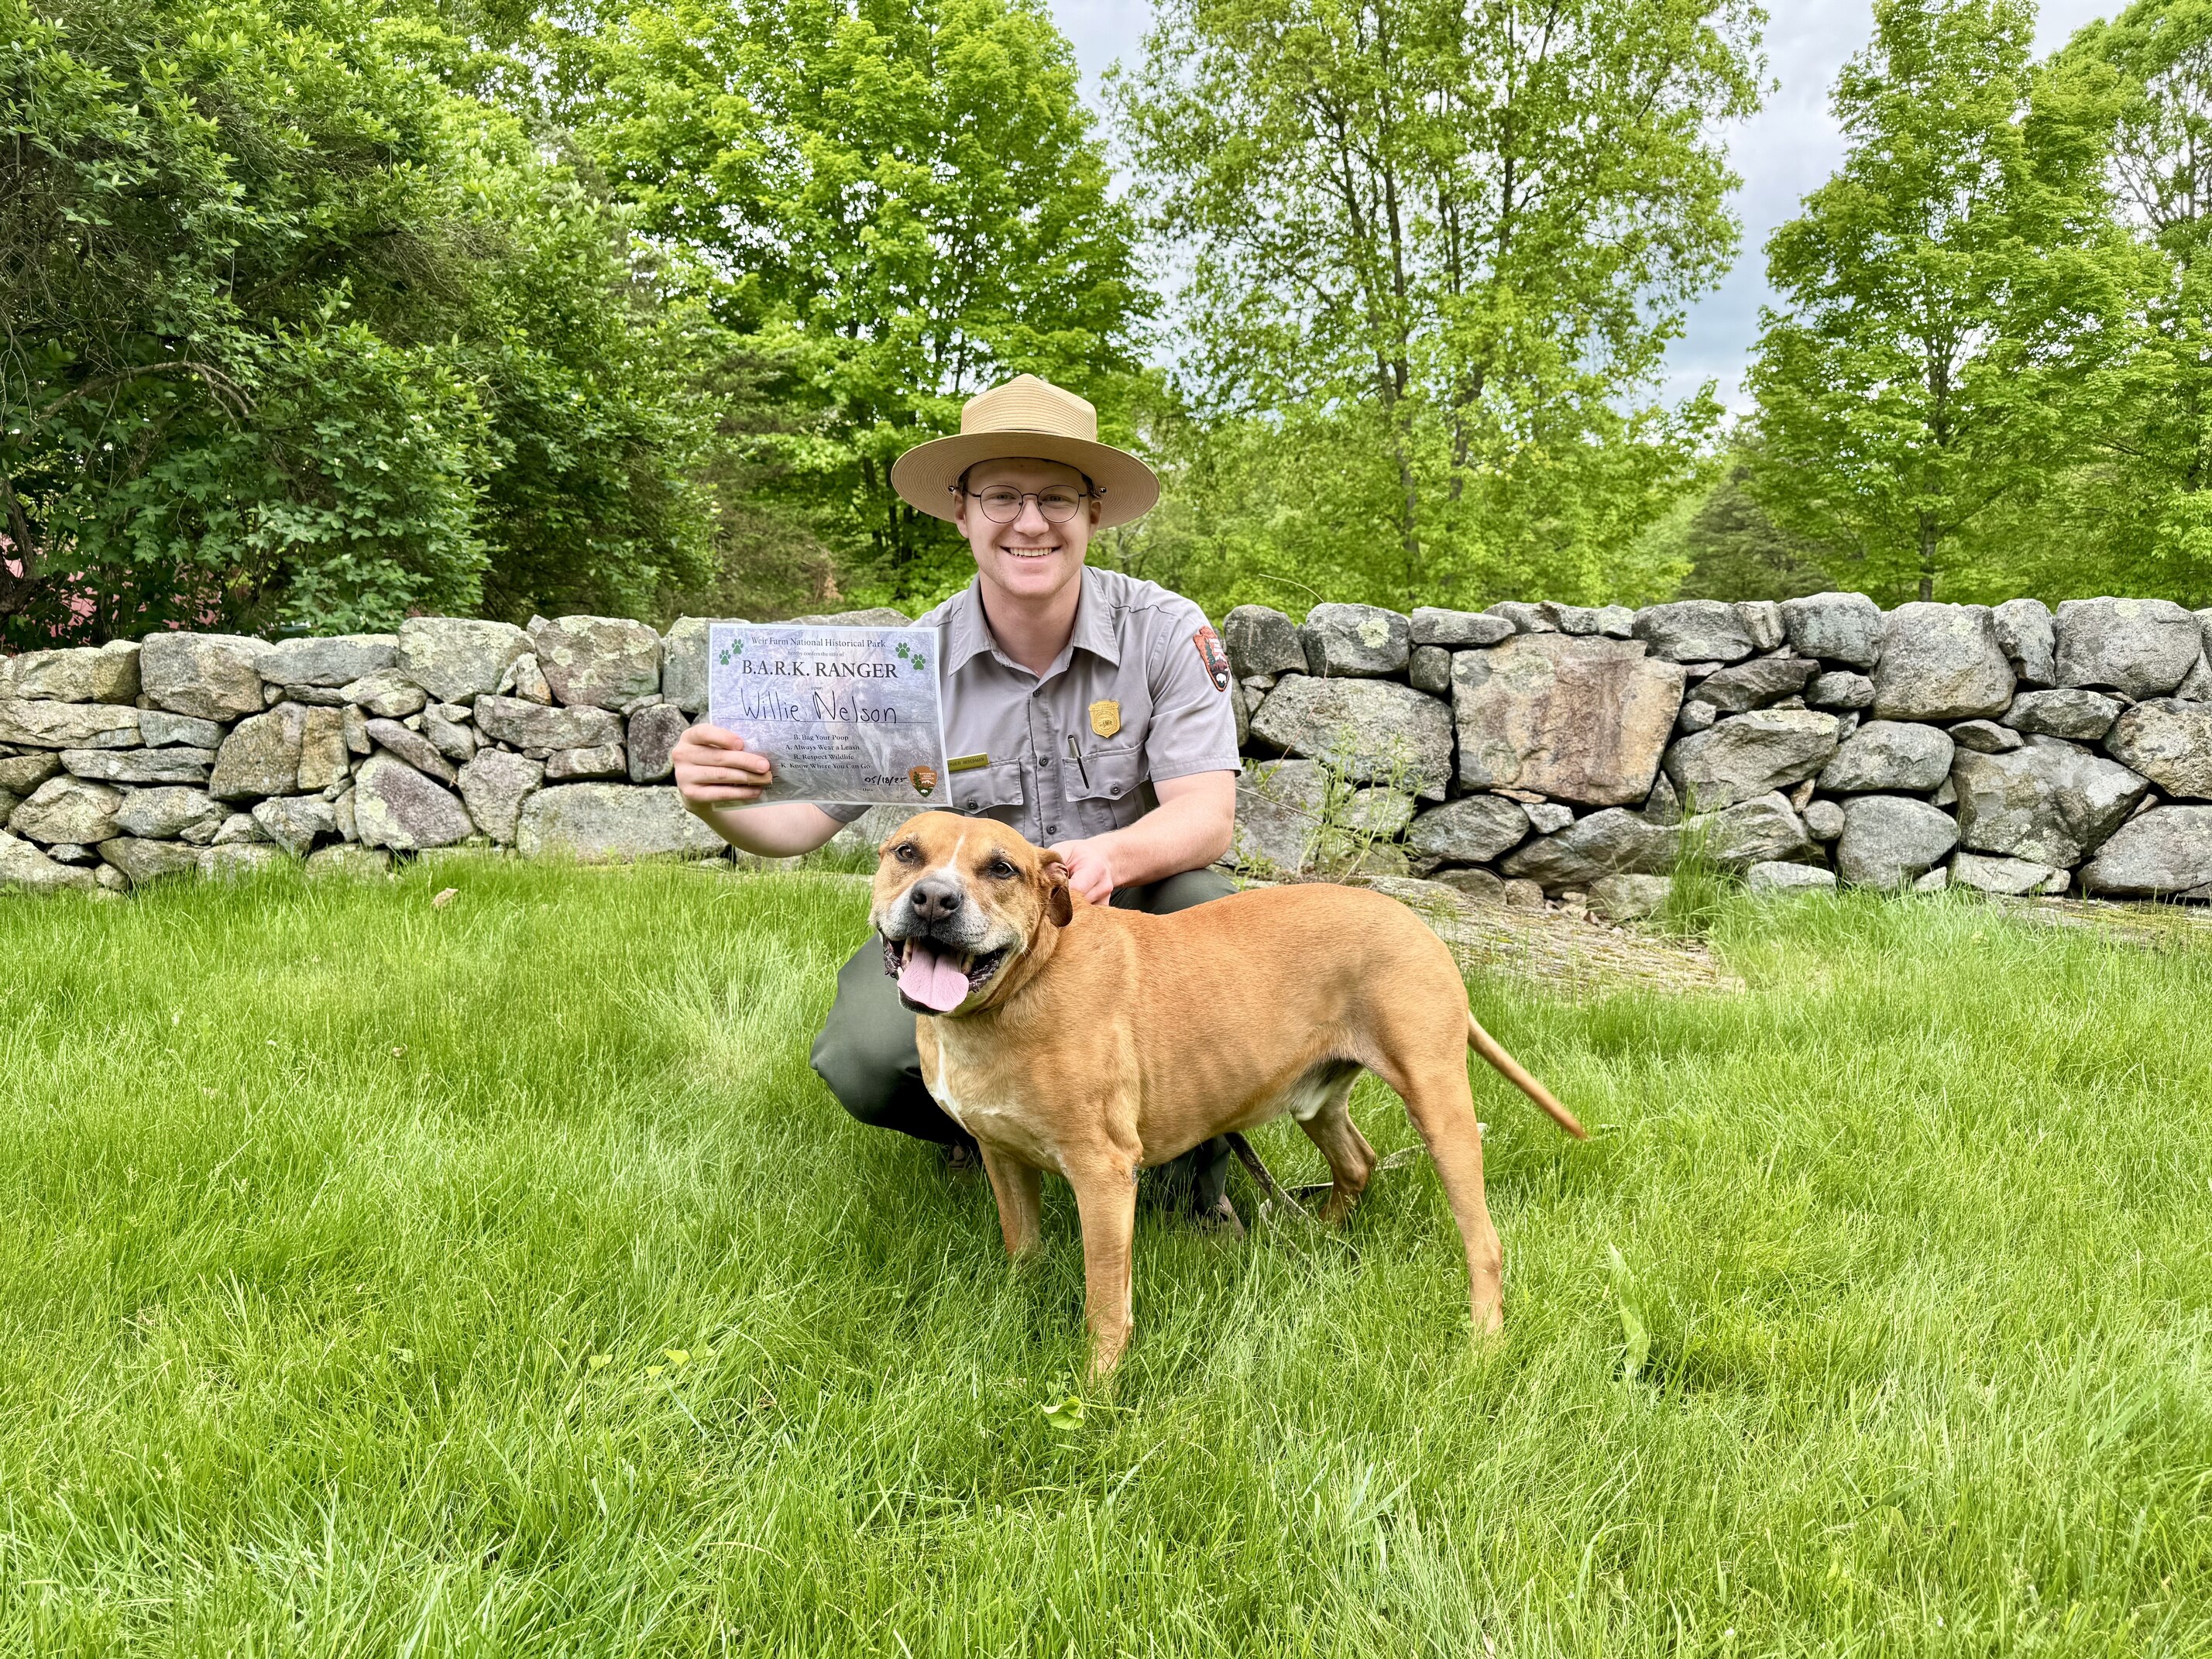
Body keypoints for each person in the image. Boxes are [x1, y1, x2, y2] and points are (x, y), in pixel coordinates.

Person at [671, 374, 1249, 1229]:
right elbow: (794, 826)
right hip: (969, 922)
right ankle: (992, 1125)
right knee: (864, 1058)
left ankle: (1186, 1183)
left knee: (1215, 928)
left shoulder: (1164, 632)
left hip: (1121, 908)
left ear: (1094, 512)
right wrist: (714, 799)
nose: (1028, 522)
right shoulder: (908, 667)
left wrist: (1109, 859)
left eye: (1056, 498)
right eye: (1002, 496)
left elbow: (1207, 816)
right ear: (961, 510)